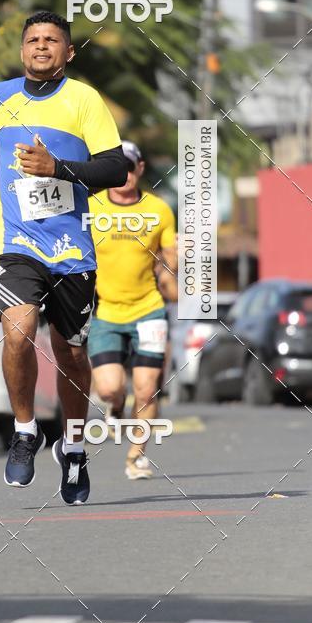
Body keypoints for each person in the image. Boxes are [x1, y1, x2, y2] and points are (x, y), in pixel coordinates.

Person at [0, 10, 128, 505]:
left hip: (72, 246)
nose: (40, 46)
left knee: (72, 352)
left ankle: (73, 447)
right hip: (13, 240)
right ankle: (26, 429)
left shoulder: (84, 100)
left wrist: (59, 168)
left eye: (52, 40)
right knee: (18, 329)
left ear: (68, 52)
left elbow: (115, 167)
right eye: (32, 39)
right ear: (21, 50)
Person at [87, 142, 177, 480]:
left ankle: (136, 456)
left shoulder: (159, 211)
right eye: (116, 167)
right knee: (111, 388)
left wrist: (176, 271)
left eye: (129, 167)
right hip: (106, 312)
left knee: (147, 386)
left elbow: (170, 259)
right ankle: (114, 408)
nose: (123, 174)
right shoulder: (90, 209)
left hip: (149, 310)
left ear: (140, 169)